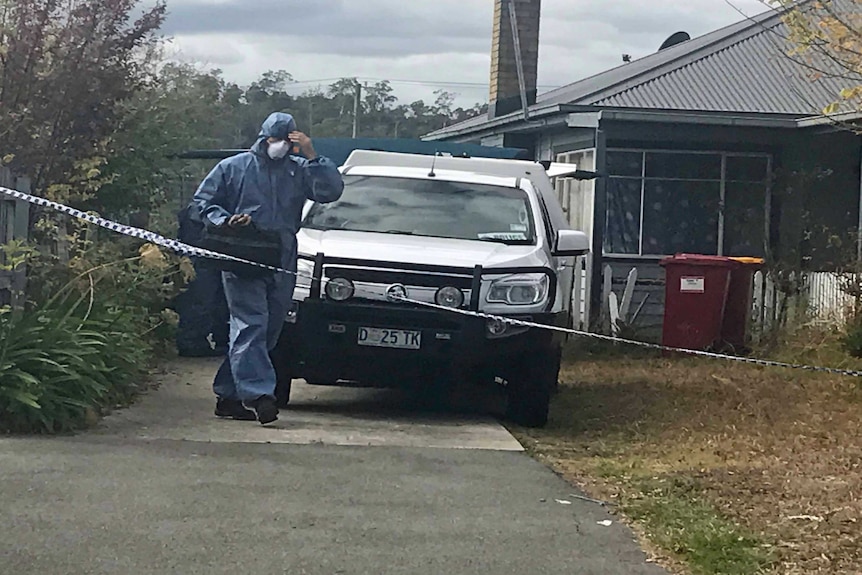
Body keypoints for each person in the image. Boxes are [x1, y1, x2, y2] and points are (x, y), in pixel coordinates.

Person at [192, 112, 344, 424]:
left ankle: (228, 394)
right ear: (263, 138)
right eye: (274, 140)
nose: (278, 146)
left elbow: (330, 192)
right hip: (243, 250)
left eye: (285, 140)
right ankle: (260, 395)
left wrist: (313, 155)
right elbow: (203, 203)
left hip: (283, 251)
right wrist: (226, 220)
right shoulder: (234, 167)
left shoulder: (299, 170)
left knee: (270, 327)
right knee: (251, 323)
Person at [173, 202, 230, 357]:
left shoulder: (200, 206)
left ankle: (200, 339)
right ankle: (192, 341)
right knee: (202, 298)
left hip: (202, 256)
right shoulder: (204, 209)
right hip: (202, 257)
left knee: (209, 298)